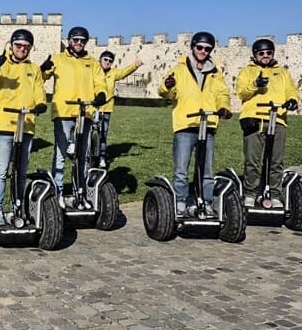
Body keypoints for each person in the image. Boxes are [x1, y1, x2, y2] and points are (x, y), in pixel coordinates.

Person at [157, 31, 232, 215]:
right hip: (185, 124)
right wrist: (167, 85)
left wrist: (223, 107)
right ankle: (181, 201)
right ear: (192, 47)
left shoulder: (215, 73)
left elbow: (222, 93)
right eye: (199, 47)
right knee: (181, 168)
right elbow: (165, 92)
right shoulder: (179, 69)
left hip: (207, 125)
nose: (203, 51)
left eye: (207, 49)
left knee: (207, 169)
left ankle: (205, 202)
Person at [0, 30, 47, 225]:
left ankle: (17, 208)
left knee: (21, 170)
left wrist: (41, 104)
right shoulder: (1, 65)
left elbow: (39, 91)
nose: (22, 49)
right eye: (18, 45)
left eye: (26, 46)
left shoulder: (34, 69)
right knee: (2, 170)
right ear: (11, 45)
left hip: (25, 124)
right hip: (3, 123)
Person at [39, 26, 107, 204]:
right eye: (76, 40)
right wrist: (43, 69)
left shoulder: (92, 62)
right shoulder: (58, 58)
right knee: (61, 153)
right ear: (69, 40)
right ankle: (58, 192)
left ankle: (81, 190)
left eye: (82, 41)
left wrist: (101, 94)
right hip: (63, 111)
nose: (79, 43)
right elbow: (41, 77)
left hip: (84, 113)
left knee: (83, 155)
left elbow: (100, 82)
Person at [235, 38, 300, 208]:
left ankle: (275, 193)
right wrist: (255, 84)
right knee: (253, 159)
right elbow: (241, 92)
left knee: (276, 160)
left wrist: (293, 99)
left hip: (277, 119)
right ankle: (251, 192)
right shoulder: (247, 71)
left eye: (268, 52)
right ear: (255, 54)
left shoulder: (282, 72)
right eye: (261, 53)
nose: (265, 56)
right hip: (254, 119)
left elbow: (291, 89)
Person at [96, 51, 143, 168]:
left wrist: (135, 65)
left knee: (103, 134)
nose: (107, 62)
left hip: (106, 109)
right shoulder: (94, 71)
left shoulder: (113, 73)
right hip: (92, 108)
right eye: (105, 59)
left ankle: (102, 157)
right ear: (100, 60)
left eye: (110, 61)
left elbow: (123, 73)